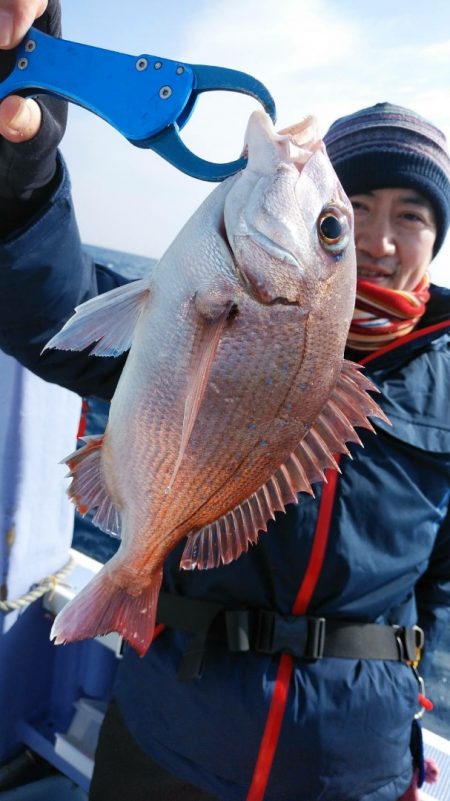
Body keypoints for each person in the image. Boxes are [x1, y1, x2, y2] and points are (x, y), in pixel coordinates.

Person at [1, 3, 450, 801]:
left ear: (437, 240)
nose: (380, 237)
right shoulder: (213, 295)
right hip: (175, 731)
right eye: (352, 214)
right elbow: (54, 314)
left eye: (410, 215)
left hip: (351, 766)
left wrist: (405, 683)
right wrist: (23, 169)